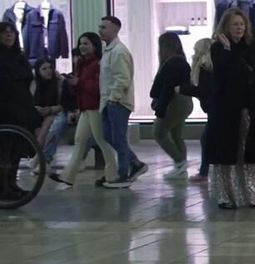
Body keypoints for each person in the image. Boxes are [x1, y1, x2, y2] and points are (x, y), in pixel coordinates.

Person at [207, 8, 255, 209]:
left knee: (250, 151)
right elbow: (223, 76)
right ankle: (227, 196)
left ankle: (254, 195)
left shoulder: (251, 47)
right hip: (227, 110)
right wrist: (227, 50)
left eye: (242, 24)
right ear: (226, 26)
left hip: (249, 107)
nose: (239, 28)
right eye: (235, 24)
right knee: (228, 150)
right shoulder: (218, 49)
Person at [53, 34, 115, 189]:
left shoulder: (99, 64)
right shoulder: (81, 63)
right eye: (81, 43)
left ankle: (113, 174)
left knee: (102, 141)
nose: (82, 46)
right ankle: (68, 177)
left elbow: (99, 89)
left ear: (94, 46)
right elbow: (79, 89)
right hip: (85, 109)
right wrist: (73, 84)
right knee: (80, 141)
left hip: (95, 108)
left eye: (86, 44)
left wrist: (78, 82)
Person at [97, 15, 145, 189]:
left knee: (118, 138)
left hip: (118, 103)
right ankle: (135, 163)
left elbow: (122, 78)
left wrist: (114, 98)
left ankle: (123, 174)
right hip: (109, 102)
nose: (100, 30)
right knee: (109, 136)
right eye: (100, 27)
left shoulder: (118, 51)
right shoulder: (109, 51)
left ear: (115, 29)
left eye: (104, 27)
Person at [0, 21, 40, 199]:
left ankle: (12, 183)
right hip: (5, 108)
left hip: (22, 107)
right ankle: (3, 188)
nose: (8, 35)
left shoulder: (19, 56)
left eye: (11, 32)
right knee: (4, 150)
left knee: (17, 149)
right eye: (4, 32)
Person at [149, 31, 193, 177]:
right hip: (184, 102)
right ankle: (181, 168)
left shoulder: (171, 63)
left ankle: (180, 163)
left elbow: (167, 88)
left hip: (175, 103)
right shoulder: (181, 61)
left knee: (159, 133)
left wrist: (160, 109)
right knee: (176, 135)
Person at [29, 58, 72, 173]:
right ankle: (40, 156)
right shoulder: (34, 84)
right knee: (41, 125)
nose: (48, 71)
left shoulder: (60, 82)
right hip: (39, 115)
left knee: (51, 123)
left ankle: (41, 157)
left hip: (57, 113)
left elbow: (66, 104)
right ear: (38, 71)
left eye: (50, 68)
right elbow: (31, 103)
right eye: (44, 69)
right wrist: (38, 110)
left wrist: (51, 109)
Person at [182, 38, 213, 184]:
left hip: (213, 108)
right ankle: (204, 171)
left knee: (206, 139)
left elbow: (203, 90)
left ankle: (204, 172)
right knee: (207, 139)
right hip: (215, 107)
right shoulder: (212, 65)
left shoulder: (203, 66)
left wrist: (183, 89)